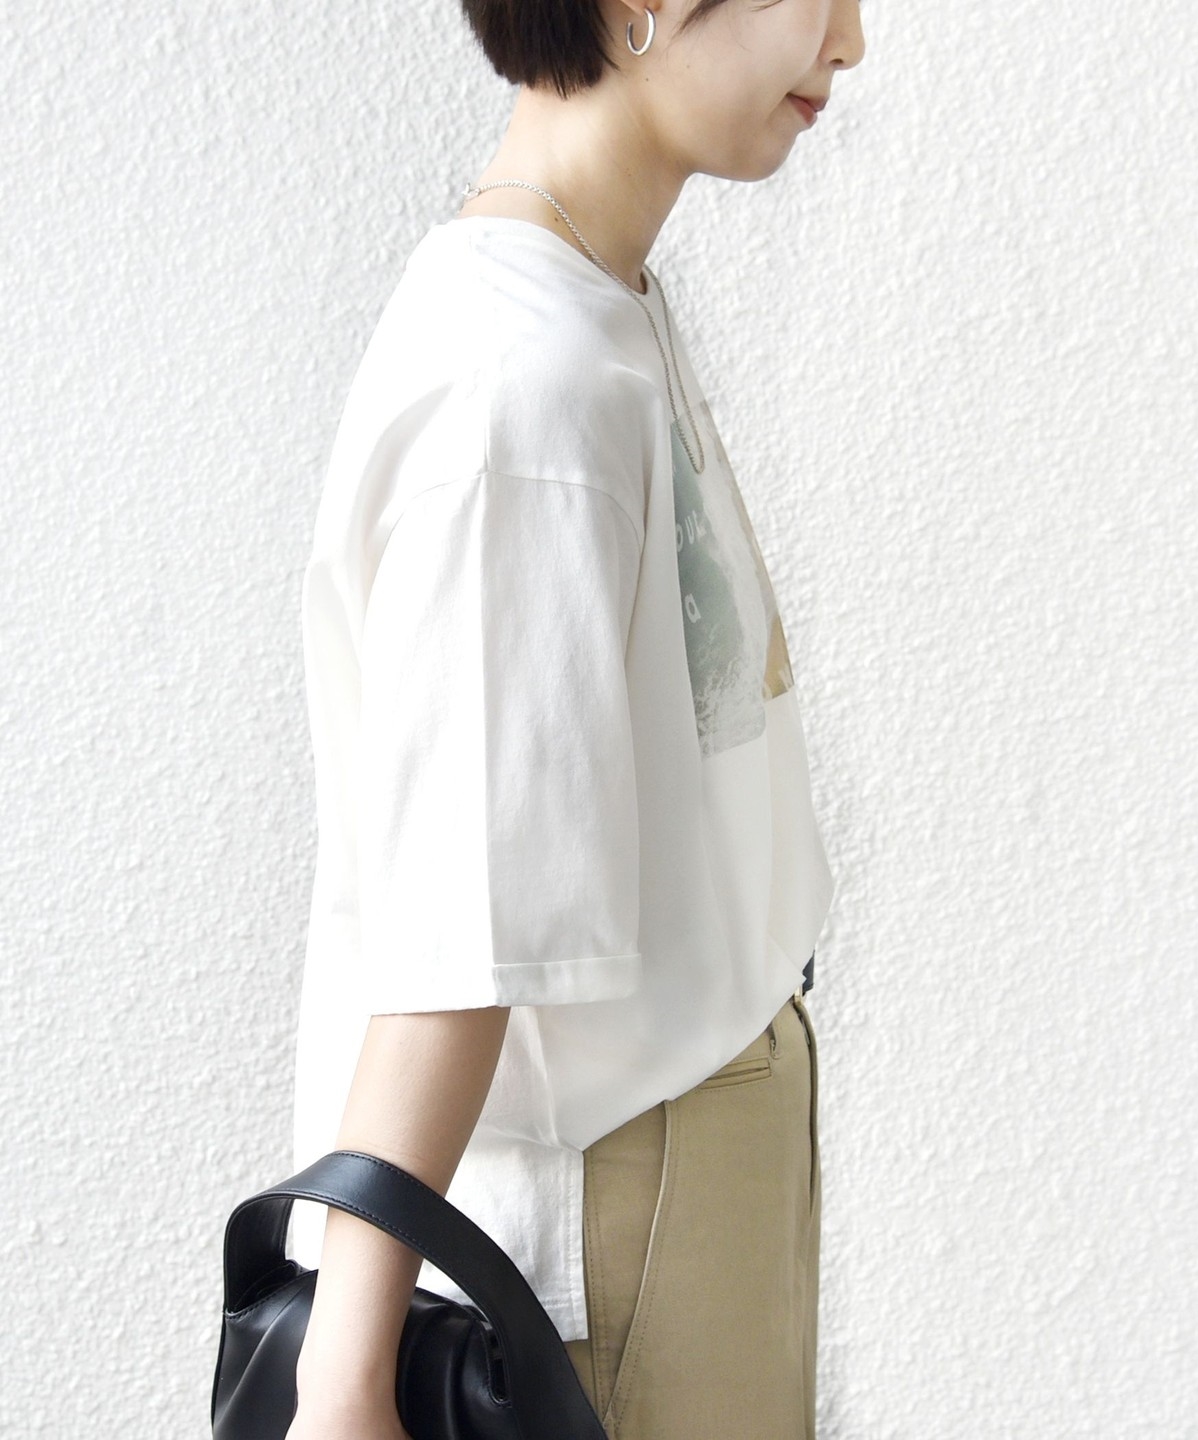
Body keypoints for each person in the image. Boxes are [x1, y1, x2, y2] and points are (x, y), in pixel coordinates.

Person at [283, 0, 865, 1436]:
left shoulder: (594, 301)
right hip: (611, 1206)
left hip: (680, 1152)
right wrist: (343, 1384)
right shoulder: (521, 390)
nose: (850, 41)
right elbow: (457, 934)